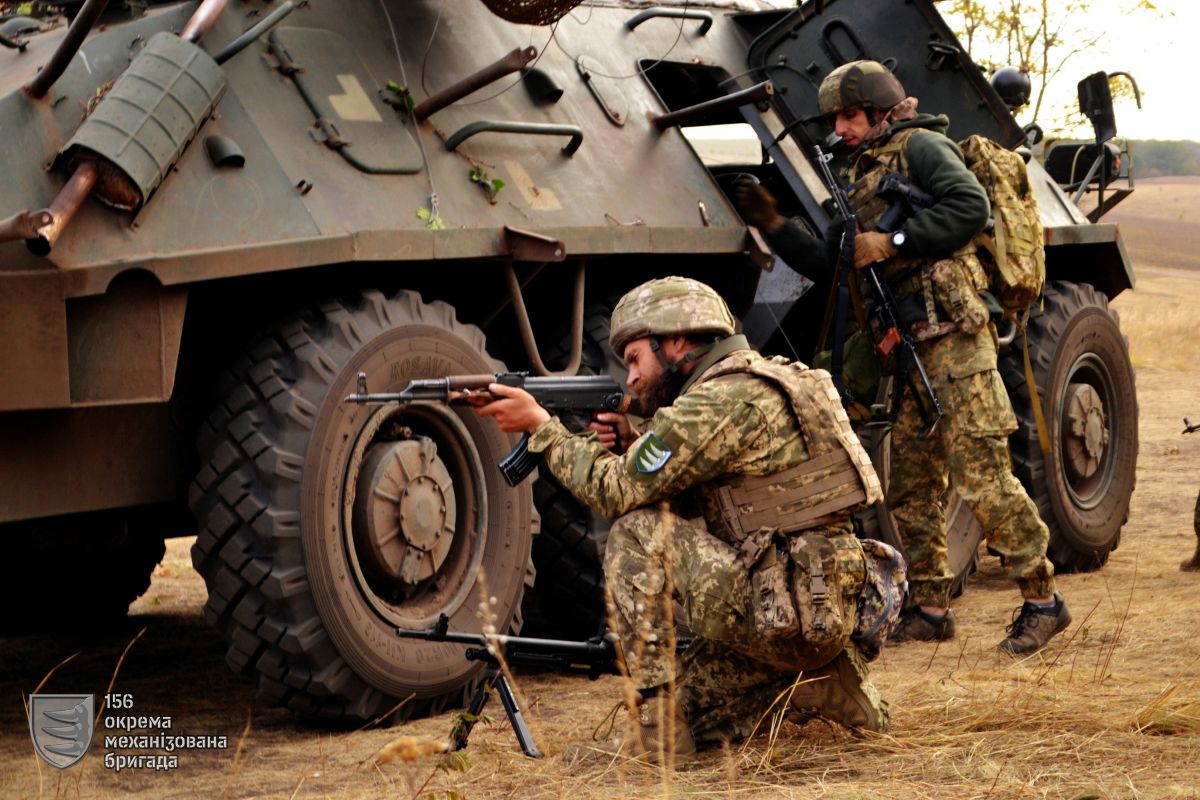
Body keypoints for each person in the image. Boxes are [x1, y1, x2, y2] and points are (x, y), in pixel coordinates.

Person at [473, 276, 905, 761]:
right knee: (696, 712)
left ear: (676, 340)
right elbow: (731, 496)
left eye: (635, 358)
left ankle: (657, 737)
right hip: (823, 608)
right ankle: (822, 679)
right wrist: (636, 442)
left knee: (636, 534)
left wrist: (542, 429)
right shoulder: (775, 379)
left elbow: (615, 491)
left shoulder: (714, 402)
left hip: (782, 609)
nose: (630, 379)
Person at [736, 60, 1070, 655]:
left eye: (849, 115)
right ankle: (931, 608)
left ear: (879, 110)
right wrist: (775, 224)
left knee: (983, 477)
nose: (840, 128)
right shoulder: (860, 175)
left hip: (956, 340)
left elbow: (969, 208)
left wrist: (892, 241)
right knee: (912, 485)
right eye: (836, 118)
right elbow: (833, 262)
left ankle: (1044, 600)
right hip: (911, 350)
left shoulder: (922, 147)